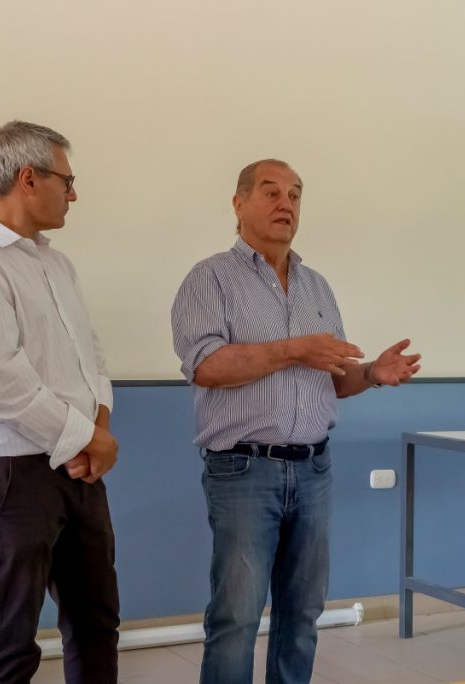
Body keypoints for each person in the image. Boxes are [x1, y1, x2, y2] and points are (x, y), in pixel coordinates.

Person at [171, 159, 421, 684]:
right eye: (271, 192)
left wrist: (371, 374)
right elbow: (207, 367)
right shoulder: (209, 278)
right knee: (237, 616)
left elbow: (332, 378)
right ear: (238, 203)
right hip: (243, 469)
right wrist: (292, 349)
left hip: (314, 470)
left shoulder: (317, 287)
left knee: (303, 613)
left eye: (295, 194)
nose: (286, 204)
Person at [0, 120, 121, 683]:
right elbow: (1, 384)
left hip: (78, 465)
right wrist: (88, 439)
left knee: (96, 621)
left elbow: (91, 356)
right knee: (11, 636)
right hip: (9, 471)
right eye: (68, 180)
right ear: (28, 178)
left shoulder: (55, 264)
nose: (74, 194)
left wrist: (97, 428)